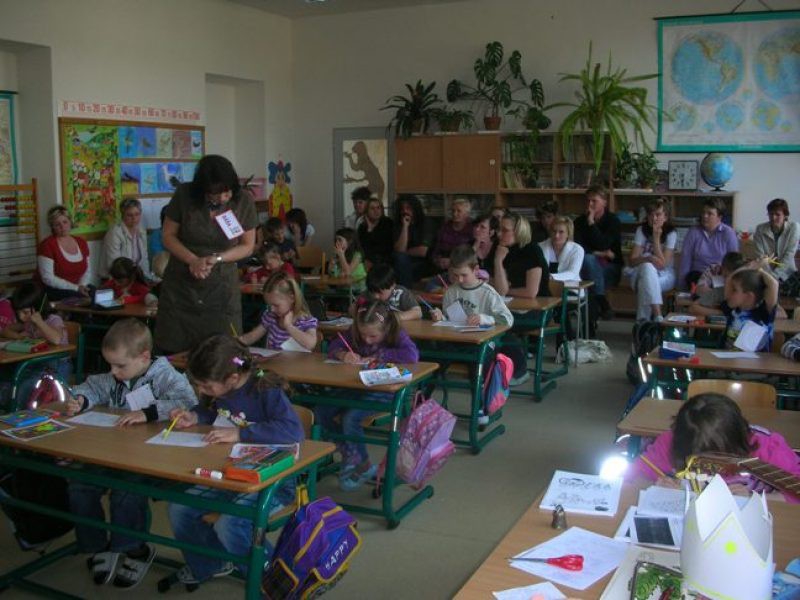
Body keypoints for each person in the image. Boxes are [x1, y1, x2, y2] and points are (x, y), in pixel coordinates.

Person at [63, 318, 197, 588]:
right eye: (110, 365)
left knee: (125, 492)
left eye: (120, 366)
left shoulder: (165, 376)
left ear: (144, 357)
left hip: (151, 458)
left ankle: (135, 549)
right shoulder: (116, 374)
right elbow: (90, 386)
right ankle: (98, 546)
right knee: (80, 485)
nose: (113, 372)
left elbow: (188, 401)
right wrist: (80, 400)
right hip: (113, 452)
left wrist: (148, 413)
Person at [166, 336, 304, 585]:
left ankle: (276, 581)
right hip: (230, 473)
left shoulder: (265, 390)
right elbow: (214, 412)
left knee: (229, 525)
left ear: (231, 378)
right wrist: (195, 416)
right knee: (179, 508)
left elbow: (293, 430)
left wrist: (241, 434)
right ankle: (211, 564)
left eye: (206, 386)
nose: (201, 391)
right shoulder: (222, 388)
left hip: (272, 481)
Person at [154, 155, 257, 355]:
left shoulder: (243, 200)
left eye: (227, 191)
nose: (223, 198)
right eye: (215, 193)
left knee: (223, 352)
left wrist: (217, 258)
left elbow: (247, 246)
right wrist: (192, 260)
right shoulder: (184, 195)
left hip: (221, 287)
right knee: (173, 348)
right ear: (202, 189)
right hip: (181, 286)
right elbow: (167, 236)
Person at [626, 393, 800, 503]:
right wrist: (654, 487)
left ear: (736, 446)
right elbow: (633, 479)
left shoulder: (769, 449)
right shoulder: (670, 442)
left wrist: (754, 500)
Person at [322, 301, 419, 490]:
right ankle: (351, 453)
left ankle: (361, 462)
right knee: (321, 410)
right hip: (356, 386)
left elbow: (412, 355)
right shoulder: (354, 332)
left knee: (350, 418)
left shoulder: (396, 334)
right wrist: (342, 355)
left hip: (385, 389)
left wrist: (380, 355)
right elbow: (334, 345)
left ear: (386, 328)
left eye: (373, 336)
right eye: (363, 335)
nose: (366, 340)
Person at [3, 282, 71, 405]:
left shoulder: (54, 320)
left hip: (56, 365)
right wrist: (20, 336)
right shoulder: (28, 323)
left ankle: (18, 406)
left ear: (38, 308)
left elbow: (56, 339)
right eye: (18, 313)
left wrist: (40, 322)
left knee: (26, 386)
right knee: (7, 377)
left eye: (25, 312)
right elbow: (6, 330)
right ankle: (11, 404)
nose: (21, 317)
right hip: (35, 363)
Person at [430, 245, 513, 328]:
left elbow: (508, 320)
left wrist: (483, 319)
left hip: (482, 335)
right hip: (456, 335)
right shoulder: (450, 292)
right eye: (456, 275)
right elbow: (449, 320)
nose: (460, 280)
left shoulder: (488, 292)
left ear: (476, 269)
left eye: (464, 275)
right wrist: (440, 318)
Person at [573, 185, 622, 320]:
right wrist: (601, 253)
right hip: (585, 267)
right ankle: (601, 302)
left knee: (588, 262)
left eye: (594, 201)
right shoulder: (579, 222)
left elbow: (604, 243)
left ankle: (595, 312)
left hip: (610, 267)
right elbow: (578, 248)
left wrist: (591, 223)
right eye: (588, 201)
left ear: (604, 203)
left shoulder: (613, 221)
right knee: (588, 261)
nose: (590, 204)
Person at [702, 266, 779, 351]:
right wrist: (748, 266)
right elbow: (729, 279)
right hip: (726, 357)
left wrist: (759, 269)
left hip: (755, 359)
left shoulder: (763, 314)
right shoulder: (732, 309)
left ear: (749, 296)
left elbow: (774, 284)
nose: (729, 292)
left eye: (734, 290)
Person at [624, 199, 677, 322]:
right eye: (650, 214)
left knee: (645, 283)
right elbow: (632, 261)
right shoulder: (641, 230)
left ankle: (643, 323)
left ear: (665, 217)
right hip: (639, 272)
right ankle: (658, 316)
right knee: (647, 267)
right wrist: (648, 258)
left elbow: (662, 265)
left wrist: (656, 239)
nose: (654, 218)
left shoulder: (671, 233)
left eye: (658, 214)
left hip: (665, 275)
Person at [239, 271, 318, 352]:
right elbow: (252, 336)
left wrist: (289, 326)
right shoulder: (270, 317)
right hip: (274, 360)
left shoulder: (305, 320)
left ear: (292, 298)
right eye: (269, 305)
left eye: (276, 305)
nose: (272, 309)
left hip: (298, 360)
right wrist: (238, 341)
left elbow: (310, 344)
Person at [678, 198, 739, 290]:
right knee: (693, 277)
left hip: (719, 276)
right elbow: (685, 261)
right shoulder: (693, 232)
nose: (704, 216)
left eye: (709, 214)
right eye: (703, 212)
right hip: (697, 276)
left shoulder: (728, 233)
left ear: (719, 217)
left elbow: (733, 262)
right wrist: (681, 288)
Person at [490, 211, 550, 299]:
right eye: (499, 229)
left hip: (538, 302)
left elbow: (531, 292)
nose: (499, 234)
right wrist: (498, 260)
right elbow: (500, 289)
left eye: (505, 230)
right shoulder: (500, 248)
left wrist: (506, 290)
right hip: (509, 302)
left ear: (518, 232)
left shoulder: (532, 250)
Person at [37, 206, 92, 300]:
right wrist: (76, 288)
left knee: (94, 293)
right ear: (52, 227)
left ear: (70, 222)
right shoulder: (46, 245)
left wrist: (82, 286)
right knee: (79, 298)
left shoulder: (81, 242)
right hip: (54, 289)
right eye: (57, 224)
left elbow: (87, 271)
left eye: (65, 222)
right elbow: (48, 278)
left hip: (78, 287)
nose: (62, 227)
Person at [753, 198, 800, 296]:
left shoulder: (794, 227)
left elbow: (789, 256)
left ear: (785, 215)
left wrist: (773, 278)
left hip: (788, 274)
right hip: (766, 273)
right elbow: (760, 256)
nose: (773, 217)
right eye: (771, 214)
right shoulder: (760, 229)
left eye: (777, 214)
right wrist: (769, 278)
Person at [102, 197, 153, 281]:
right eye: (129, 215)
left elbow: (144, 259)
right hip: (115, 279)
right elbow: (114, 265)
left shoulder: (141, 231)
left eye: (137, 214)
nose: (134, 218)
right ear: (122, 215)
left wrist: (146, 279)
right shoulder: (115, 233)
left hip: (134, 278)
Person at [357, 263, 421, 321]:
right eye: (372, 292)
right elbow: (354, 307)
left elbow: (417, 312)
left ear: (392, 286)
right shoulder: (368, 293)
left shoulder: (401, 293)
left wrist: (393, 318)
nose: (375, 296)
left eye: (380, 292)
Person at [688, 252, 746, 316]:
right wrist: (715, 296)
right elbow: (699, 289)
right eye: (726, 276)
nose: (728, 281)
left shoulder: (744, 283)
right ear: (722, 267)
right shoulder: (715, 270)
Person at [393, 195, 432, 287]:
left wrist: (405, 252)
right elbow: (400, 250)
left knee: (401, 258)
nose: (405, 211)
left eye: (408, 208)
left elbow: (423, 251)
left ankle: (406, 290)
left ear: (415, 208)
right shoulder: (399, 225)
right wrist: (405, 226)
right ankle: (404, 291)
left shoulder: (426, 223)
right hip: (404, 260)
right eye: (402, 209)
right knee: (400, 258)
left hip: (425, 261)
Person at [430, 198, 473, 276]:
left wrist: (452, 262)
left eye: (459, 211)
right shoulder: (444, 227)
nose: (454, 214)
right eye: (453, 211)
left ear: (467, 214)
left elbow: (471, 254)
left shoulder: (471, 230)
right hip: (441, 265)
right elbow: (435, 248)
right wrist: (437, 260)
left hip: (461, 265)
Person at [538, 216, 584, 281]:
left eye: (561, 232)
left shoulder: (577, 249)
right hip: (544, 285)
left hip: (571, 285)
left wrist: (551, 277)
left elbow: (572, 273)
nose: (556, 236)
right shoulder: (539, 247)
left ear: (568, 233)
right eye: (554, 231)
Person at [357, 197, 394, 267]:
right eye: (372, 208)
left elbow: (385, 246)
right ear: (367, 211)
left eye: (378, 208)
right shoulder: (362, 227)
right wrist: (369, 229)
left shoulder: (388, 223)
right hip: (368, 259)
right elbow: (362, 247)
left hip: (385, 258)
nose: (376, 211)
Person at [329, 227, 366, 291]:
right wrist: (331, 266)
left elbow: (348, 273)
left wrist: (341, 255)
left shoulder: (357, 255)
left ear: (350, 241)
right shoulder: (340, 255)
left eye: (340, 240)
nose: (337, 242)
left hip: (357, 287)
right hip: (343, 287)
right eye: (336, 240)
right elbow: (333, 274)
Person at [472, 212, 499, 277]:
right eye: (476, 226)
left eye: (482, 227)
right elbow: (463, 266)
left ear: (491, 232)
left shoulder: (498, 247)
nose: (477, 229)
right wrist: (474, 247)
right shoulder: (468, 246)